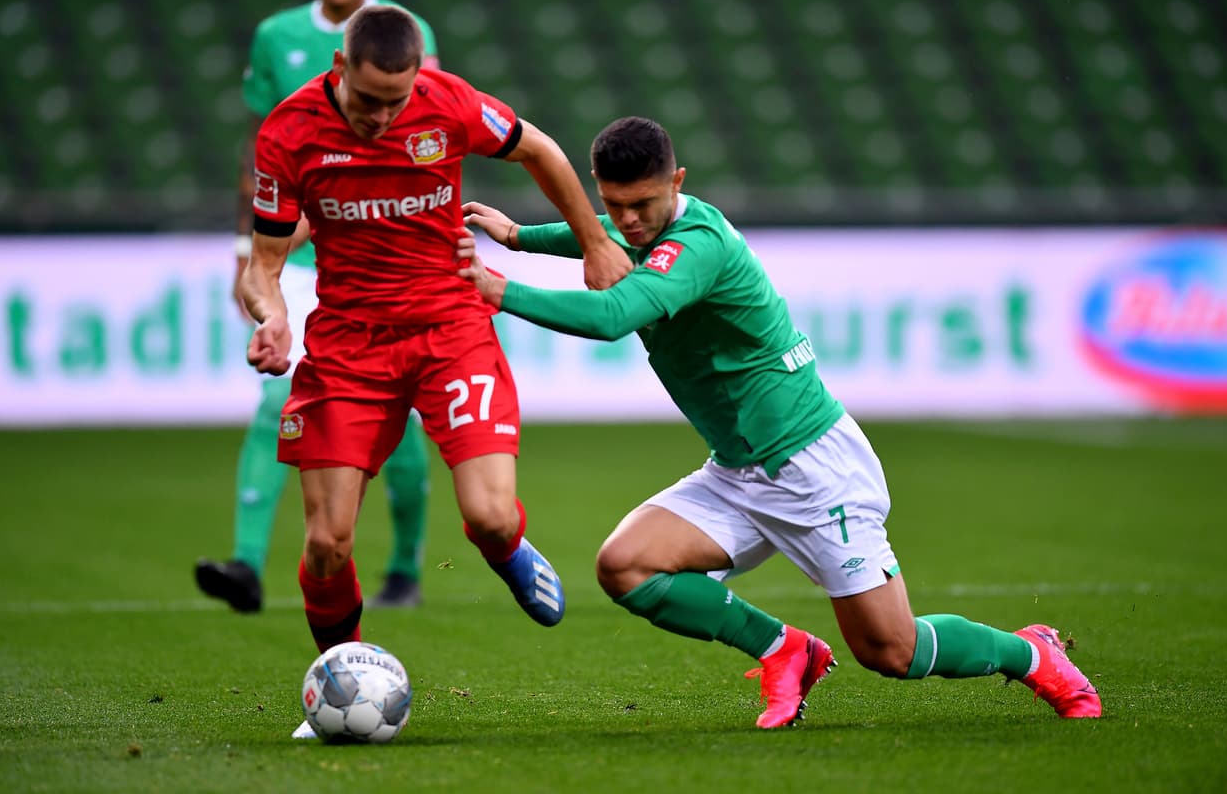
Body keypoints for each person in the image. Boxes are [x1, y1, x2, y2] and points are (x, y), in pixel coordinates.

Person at [455, 116, 1103, 728]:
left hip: (813, 467)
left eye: (643, 204)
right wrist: (522, 236)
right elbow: (604, 233)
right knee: (626, 565)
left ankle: (1031, 652)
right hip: (739, 470)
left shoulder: (697, 247)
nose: (628, 219)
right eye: (615, 203)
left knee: (891, 650)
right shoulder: (638, 224)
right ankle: (784, 648)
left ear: (677, 184)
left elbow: (611, 316)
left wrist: (500, 288)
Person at [241, 5, 633, 737]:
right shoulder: (289, 133)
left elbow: (540, 149)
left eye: (395, 103)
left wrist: (593, 242)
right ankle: (339, 677)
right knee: (327, 543)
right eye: (366, 102)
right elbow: (262, 264)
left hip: (450, 327)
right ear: (338, 72)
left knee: (486, 514)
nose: (381, 120)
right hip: (350, 346)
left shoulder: (448, 102)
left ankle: (508, 548)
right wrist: (272, 315)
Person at [195, 0, 441, 612]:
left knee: (403, 417)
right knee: (278, 397)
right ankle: (246, 566)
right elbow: (261, 152)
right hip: (299, 255)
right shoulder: (275, 36)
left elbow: (433, 134)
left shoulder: (407, 32)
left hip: (382, 251)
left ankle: (405, 567)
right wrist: (250, 251)